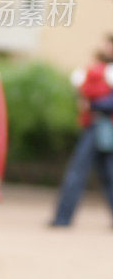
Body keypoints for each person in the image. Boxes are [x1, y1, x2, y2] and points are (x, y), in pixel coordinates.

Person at [50, 35, 113, 227]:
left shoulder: (106, 73)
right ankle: (62, 217)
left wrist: (91, 104)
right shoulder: (94, 71)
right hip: (96, 126)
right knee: (106, 174)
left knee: (79, 172)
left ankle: (62, 218)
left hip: (101, 127)